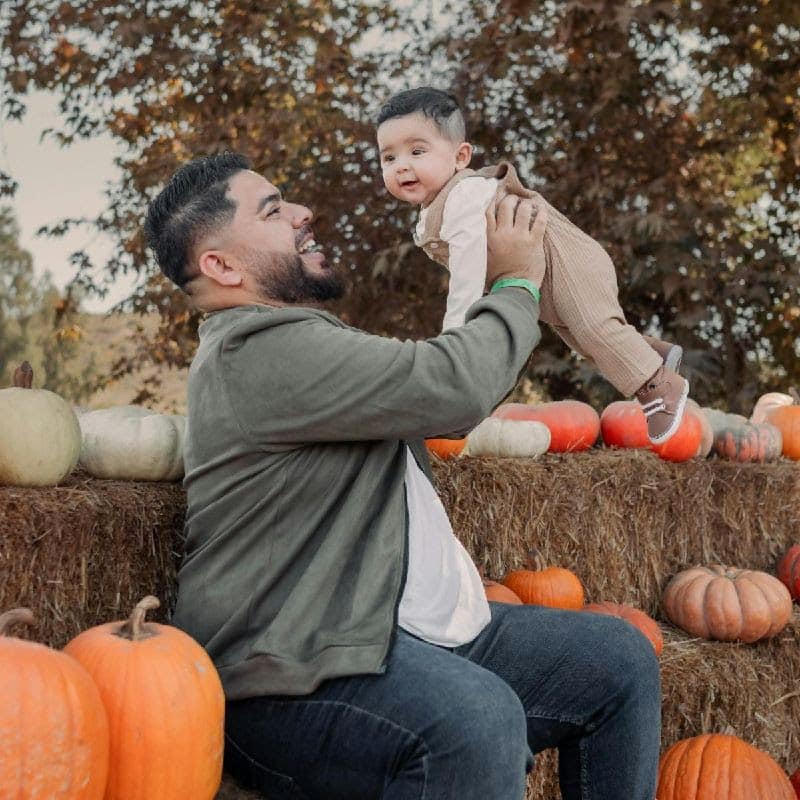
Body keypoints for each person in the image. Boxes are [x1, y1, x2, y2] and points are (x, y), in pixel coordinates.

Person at [144, 151, 660, 800]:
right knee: (475, 722)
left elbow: (441, 395)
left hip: (378, 638)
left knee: (618, 662)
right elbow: (456, 384)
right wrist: (516, 282)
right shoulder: (256, 350)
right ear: (221, 265)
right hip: (286, 677)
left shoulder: (301, 340)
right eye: (274, 210)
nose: (305, 213)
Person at [377, 86, 689, 445]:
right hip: (541, 275)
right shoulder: (434, 210)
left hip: (565, 259)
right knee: (578, 335)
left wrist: (455, 339)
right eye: (389, 158)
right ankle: (654, 353)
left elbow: (467, 273)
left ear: (461, 156)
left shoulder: (463, 195)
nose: (402, 165)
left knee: (591, 327)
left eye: (417, 151)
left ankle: (659, 385)